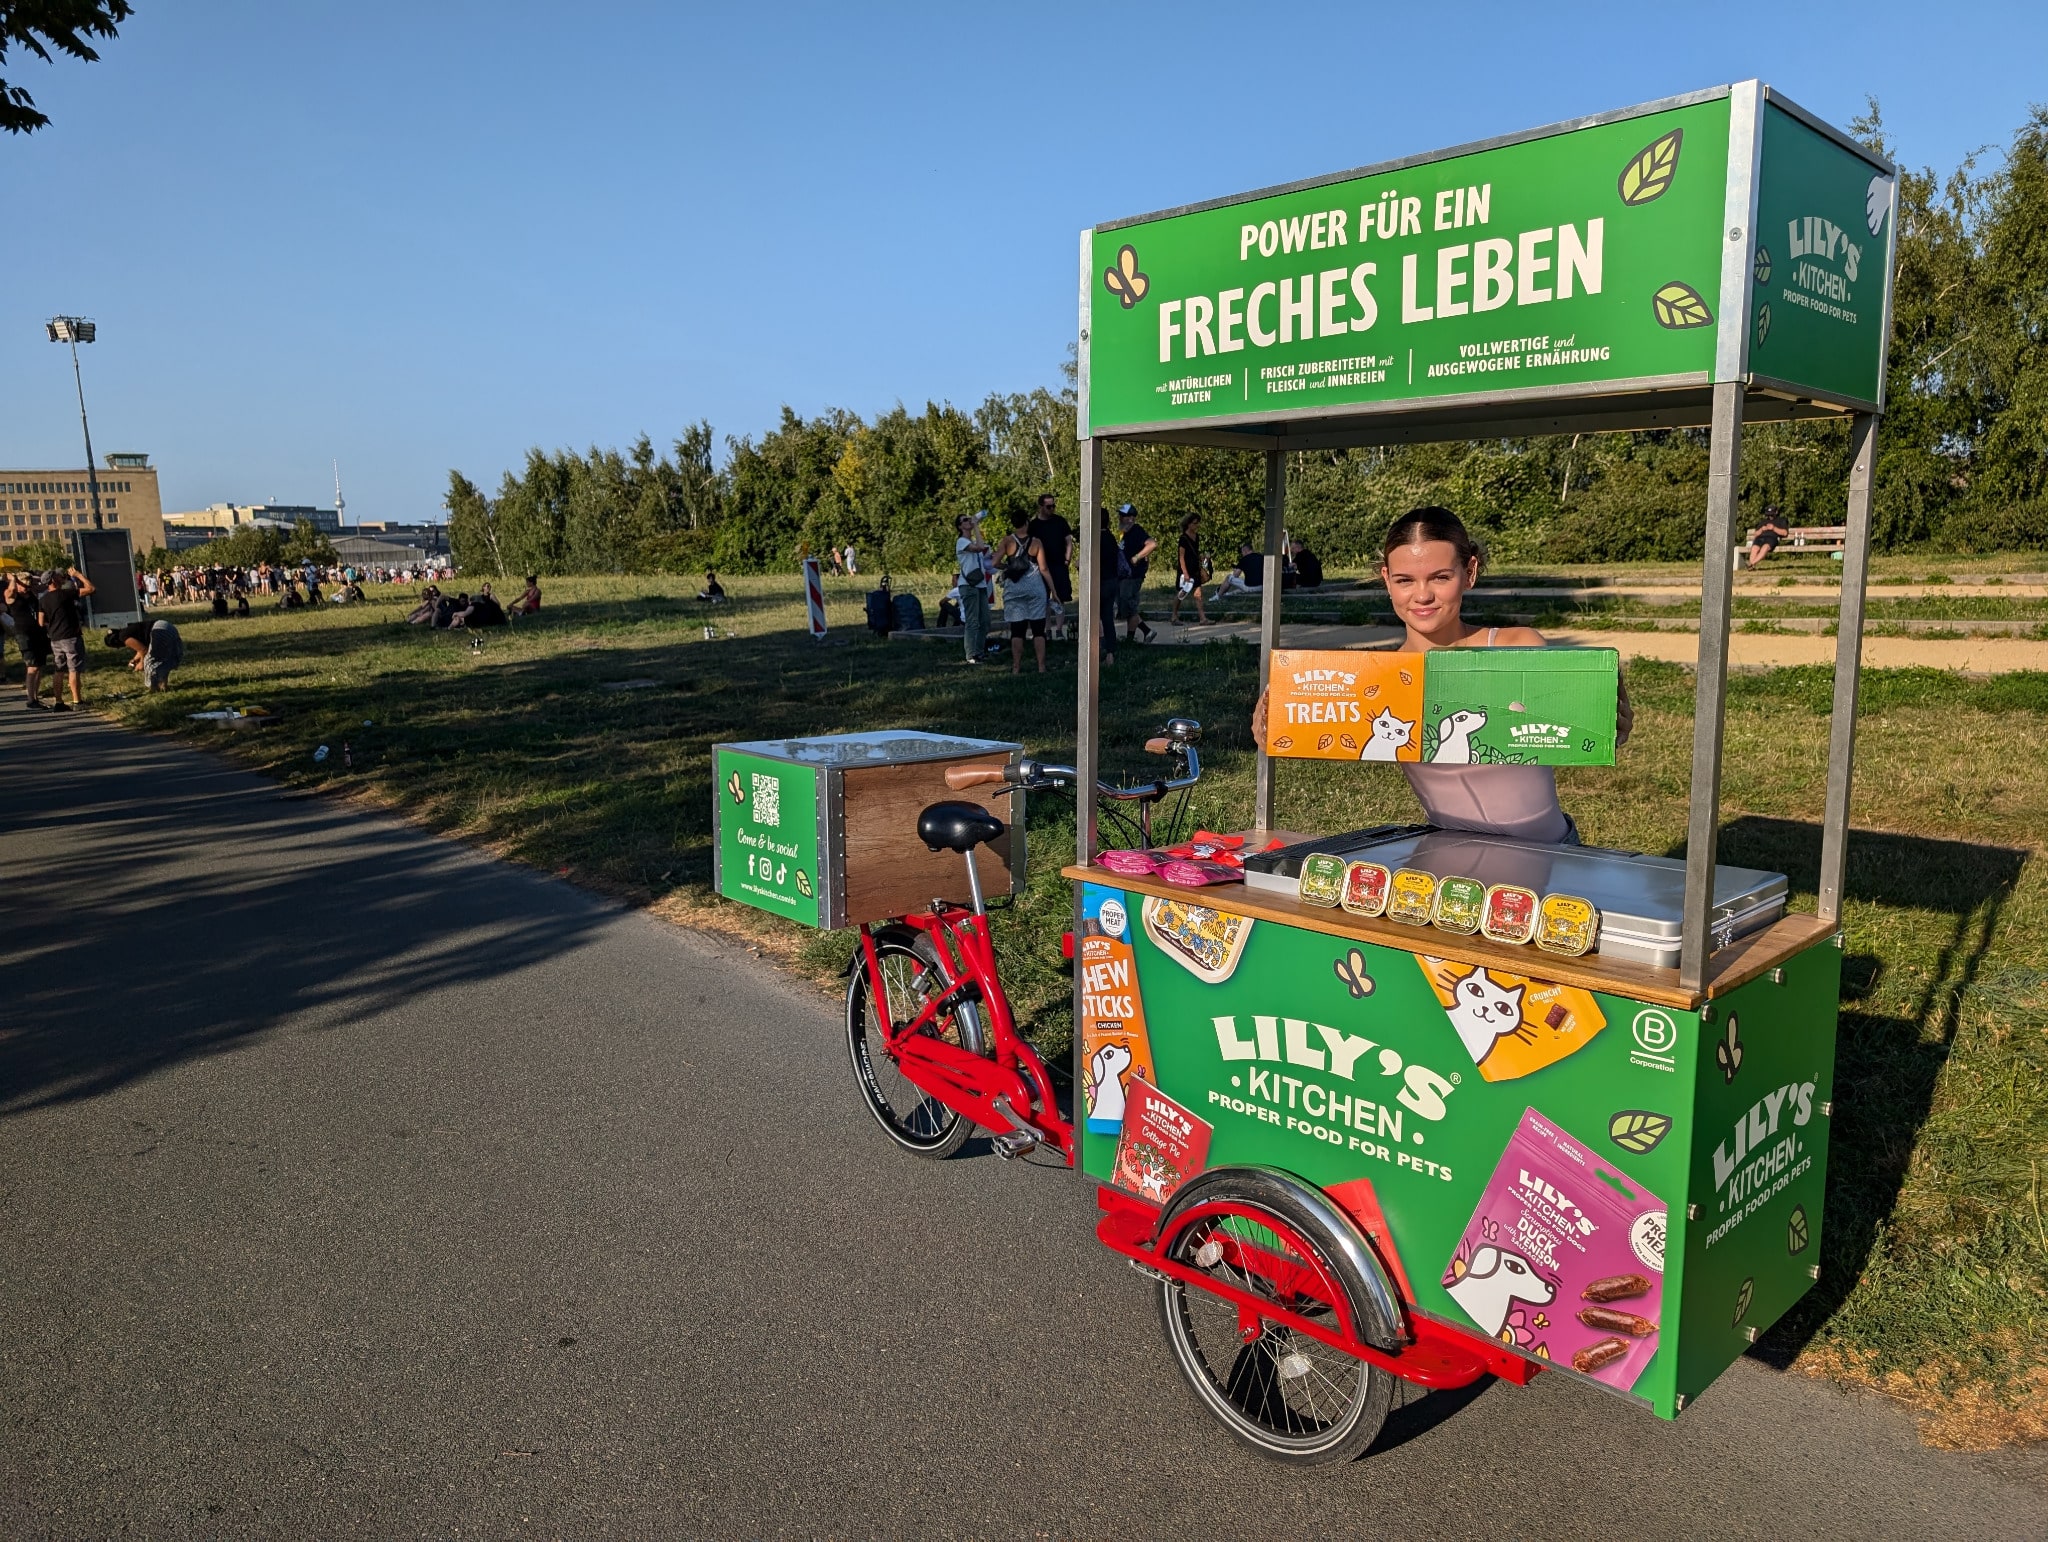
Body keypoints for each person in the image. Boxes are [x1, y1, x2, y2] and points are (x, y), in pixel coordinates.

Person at [1253, 507, 1633, 845]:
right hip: (1449, 854)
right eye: (1405, 580)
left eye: (1439, 577)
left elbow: (1578, 729)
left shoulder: (1519, 648)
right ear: (1386, 580)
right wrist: (1269, 728)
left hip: (1549, 851)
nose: (1422, 595)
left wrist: (1608, 722)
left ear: (1469, 572)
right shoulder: (1380, 679)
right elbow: (1313, 732)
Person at [993, 509, 1053, 675]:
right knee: (1038, 630)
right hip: (1035, 588)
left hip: (1014, 589)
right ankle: (1041, 667)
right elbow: (1044, 568)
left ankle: (1016, 667)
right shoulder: (1036, 542)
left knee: (1017, 630)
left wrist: (1008, 567)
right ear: (1027, 523)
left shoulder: (1007, 541)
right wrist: (1053, 591)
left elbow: (994, 562)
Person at [36, 566, 94, 709]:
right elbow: (91, 588)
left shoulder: (43, 600)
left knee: (59, 669)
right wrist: (78, 575)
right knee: (73, 669)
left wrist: (53, 623)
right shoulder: (66, 594)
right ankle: (77, 701)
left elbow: (41, 622)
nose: (60, 577)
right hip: (70, 636)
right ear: (53, 580)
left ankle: (59, 701)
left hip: (55, 638)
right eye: (57, 576)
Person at [5, 571, 51, 708]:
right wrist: (14, 579)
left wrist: (32, 580)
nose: (27, 587)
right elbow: (11, 589)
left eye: (28, 585)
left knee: (39, 666)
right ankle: (31, 699)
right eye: (24, 585)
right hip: (24, 634)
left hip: (39, 632)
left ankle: (35, 696)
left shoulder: (31, 594)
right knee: (32, 666)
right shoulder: (12, 596)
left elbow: (42, 586)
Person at [954, 511, 993, 664]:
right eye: (965, 520)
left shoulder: (970, 540)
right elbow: (979, 547)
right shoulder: (961, 542)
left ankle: (979, 651)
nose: (969, 521)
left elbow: (983, 551)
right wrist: (976, 525)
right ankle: (971, 655)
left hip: (980, 584)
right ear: (960, 526)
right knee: (972, 621)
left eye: (969, 519)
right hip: (968, 585)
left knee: (985, 620)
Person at [1027, 492, 1076, 612]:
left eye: (1053, 506)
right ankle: (1047, 628)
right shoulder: (1034, 525)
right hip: (1041, 567)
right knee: (1042, 598)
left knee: (1060, 598)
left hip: (1059, 564)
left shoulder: (1060, 521)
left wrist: (1067, 560)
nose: (1052, 509)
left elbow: (1069, 541)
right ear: (1041, 507)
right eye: (1049, 506)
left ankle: (1059, 629)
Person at [1116, 504, 1158, 643]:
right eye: (1120, 515)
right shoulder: (1124, 533)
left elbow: (1152, 544)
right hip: (1125, 576)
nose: (1120, 518)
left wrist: (1137, 557)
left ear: (1131, 518)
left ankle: (1142, 634)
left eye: (1122, 516)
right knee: (1128, 607)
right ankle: (1137, 636)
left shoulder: (1136, 531)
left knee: (1128, 606)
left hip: (1132, 576)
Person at [1170, 514, 1207, 624]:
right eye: (1195, 523)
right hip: (1185, 570)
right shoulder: (1183, 539)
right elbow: (1181, 557)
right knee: (1182, 594)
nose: (1197, 525)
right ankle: (1174, 616)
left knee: (1198, 593)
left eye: (1198, 523)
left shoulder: (1196, 536)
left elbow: (1194, 552)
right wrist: (1185, 573)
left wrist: (1201, 557)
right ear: (1189, 524)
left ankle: (1203, 618)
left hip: (1195, 568)